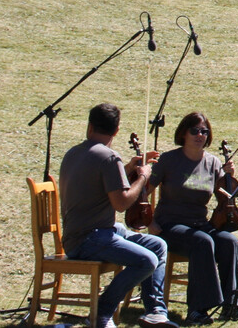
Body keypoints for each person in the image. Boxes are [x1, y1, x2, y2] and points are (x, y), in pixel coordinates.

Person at [58, 103, 176, 328]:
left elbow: (99, 187)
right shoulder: (109, 158)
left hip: (84, 234)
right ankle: (101, 312)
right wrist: (143, 177)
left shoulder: (73, 153)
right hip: (89, 239)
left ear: (90, 126)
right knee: (147, 261)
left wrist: (129, 168)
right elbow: (121, 203)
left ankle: (154, 312)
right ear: (116, 131)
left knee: (158, 245)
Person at [147, 113, 238, 325]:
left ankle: (231, 305)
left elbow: (226, 197)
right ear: (183, 133)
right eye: (195, 131)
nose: (200, 135)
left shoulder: (212, 162)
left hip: (200, 224)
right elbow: (143, 192)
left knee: (229, 241)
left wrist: (228, 177)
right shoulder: (169, 160)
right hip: (169, 225)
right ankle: (198, 309)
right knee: (202, 242)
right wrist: (149, 222)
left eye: (204, 131)